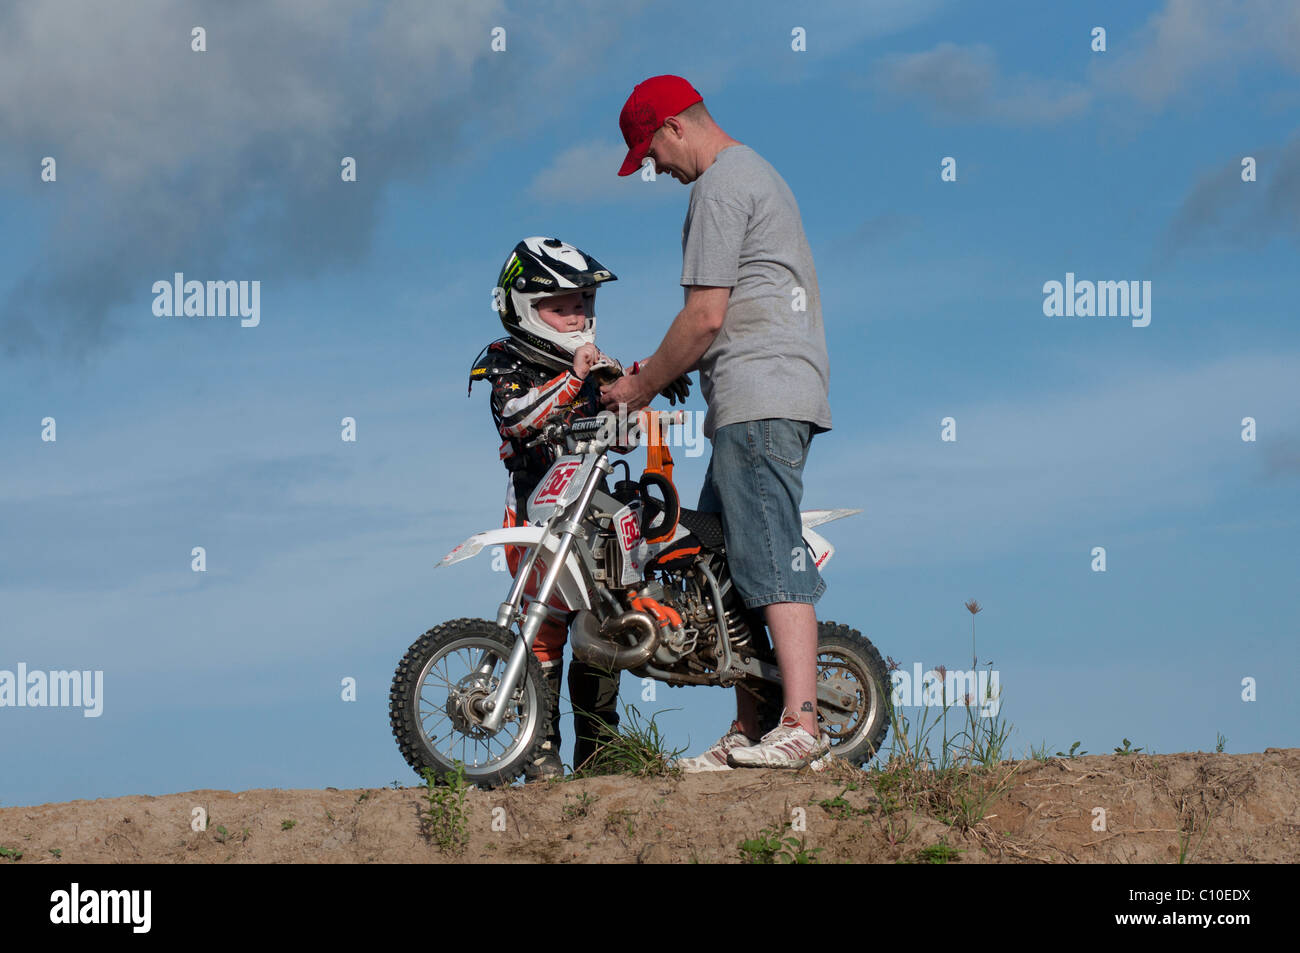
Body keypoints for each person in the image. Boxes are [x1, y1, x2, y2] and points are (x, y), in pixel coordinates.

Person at [601, 75, 833, 770]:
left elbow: (704, 316)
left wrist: (640, 386)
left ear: (676, 126)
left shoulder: (721, 184)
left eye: (651, 152)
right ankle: (752, 728)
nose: (655, 169)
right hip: (752, 392)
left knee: (765, 552)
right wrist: (662, 369)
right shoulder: (748, 174)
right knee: (720, 564)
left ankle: (801, 723)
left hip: (760, 396)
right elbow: (715, 322)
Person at [469, 236, 626, 780]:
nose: (577, 315)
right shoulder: (503, 359)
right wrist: (575, 378)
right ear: (525, 308)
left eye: (583, 302)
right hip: (536, 513)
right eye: (561, 307)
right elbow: (516, 416)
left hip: (598, 513)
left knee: (601, 628)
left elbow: (623, 430)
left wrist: (647, 383)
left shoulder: (597, 364)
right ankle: (539, 749)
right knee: (543, 632)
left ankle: (602, 750)